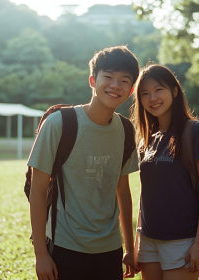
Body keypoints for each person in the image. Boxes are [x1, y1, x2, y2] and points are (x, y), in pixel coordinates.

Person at [27, 46, 140, 280]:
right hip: (64, 246)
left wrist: (129, 248)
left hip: (110, 249)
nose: (114, 85)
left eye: (123, 81)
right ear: (92, 80)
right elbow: (37, 191)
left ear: (130, 91)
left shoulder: (126, 131)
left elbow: (123, 191)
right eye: (108, 77)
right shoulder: (58, 124)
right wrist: (40, 254)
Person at [130, 63, 199, 280]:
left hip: (182, 241)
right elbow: (146, 193)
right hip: (148, 241)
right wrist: (138, 239)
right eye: (145, 93)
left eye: (159, 90)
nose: (152, 98)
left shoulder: (195, 131)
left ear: (174, 91)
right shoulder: (147, 137)